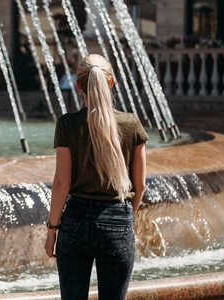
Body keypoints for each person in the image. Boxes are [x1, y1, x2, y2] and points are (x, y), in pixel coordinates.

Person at [44, 54, 148, 300]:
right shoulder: (131, 124)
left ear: (78, 85)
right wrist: (123, 219)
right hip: (116, 219)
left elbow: (62, 183)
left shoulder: (67, 124)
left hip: (74, 223)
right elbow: (140, 185)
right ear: (111, 83)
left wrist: (52, 230)